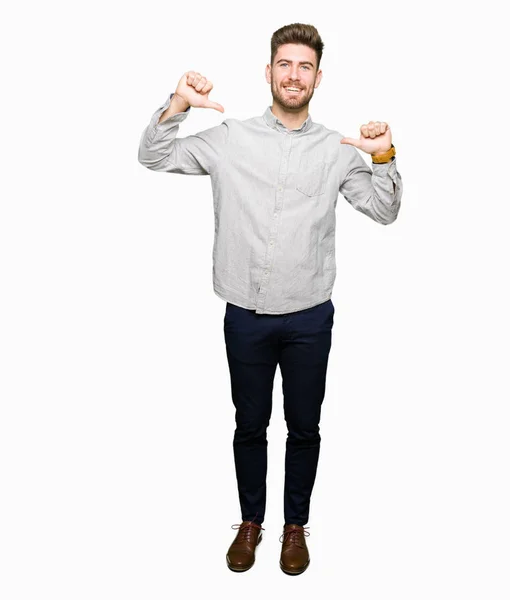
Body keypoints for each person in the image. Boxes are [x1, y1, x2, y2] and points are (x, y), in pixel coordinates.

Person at [138, 23, 403, 576]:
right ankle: (251, 522)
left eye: (305, 66)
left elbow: (383, 211)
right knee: (250, 425)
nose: (294, 75)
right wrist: (179, 102)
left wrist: (382, 157)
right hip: (246, 315)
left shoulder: (335, 148)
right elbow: (153, 156)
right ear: (268, 71)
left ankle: (294, 527)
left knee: (305, 427)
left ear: (318, 77)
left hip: (310, 315)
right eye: (285, 64)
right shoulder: (230, 138)